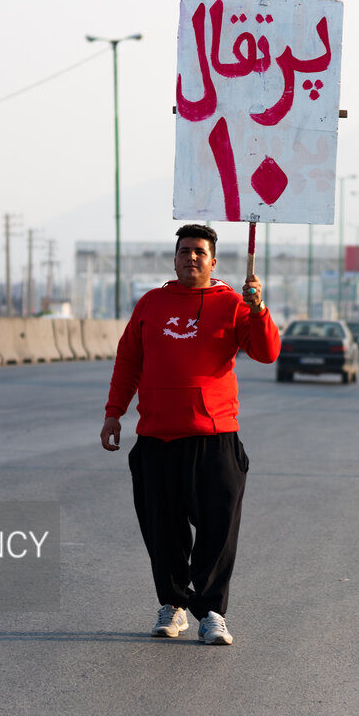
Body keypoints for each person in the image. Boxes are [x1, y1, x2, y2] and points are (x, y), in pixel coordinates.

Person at [100, 223, 280, 646]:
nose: (191, 257)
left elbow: (267, 352)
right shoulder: (151, 303)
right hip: (157, 438)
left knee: (218, 530)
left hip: (213, 438)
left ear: (213, 261)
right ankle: (173, 604)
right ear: (175, 257)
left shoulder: (233, 303)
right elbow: (128, 363)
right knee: (163, 531)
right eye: (184, 251)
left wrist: (259, 309)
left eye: (200, 251)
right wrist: (114, 414)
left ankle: (213, 612)